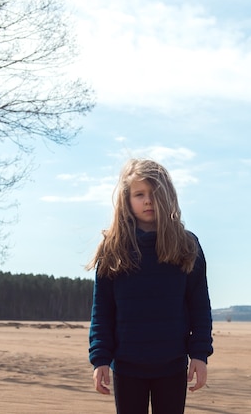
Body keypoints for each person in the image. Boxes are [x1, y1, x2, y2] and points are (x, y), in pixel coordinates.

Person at [87, 158, 213, 414]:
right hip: (126, 365)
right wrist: (100, 359)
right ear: (126, 199)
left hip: (173, 365)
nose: (148, 200)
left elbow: (199, 306)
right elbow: (102, 311)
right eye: (139, 194)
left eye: (155, 193)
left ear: (167, 196)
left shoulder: (186, 246)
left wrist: (199, 355)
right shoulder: (114, 249)